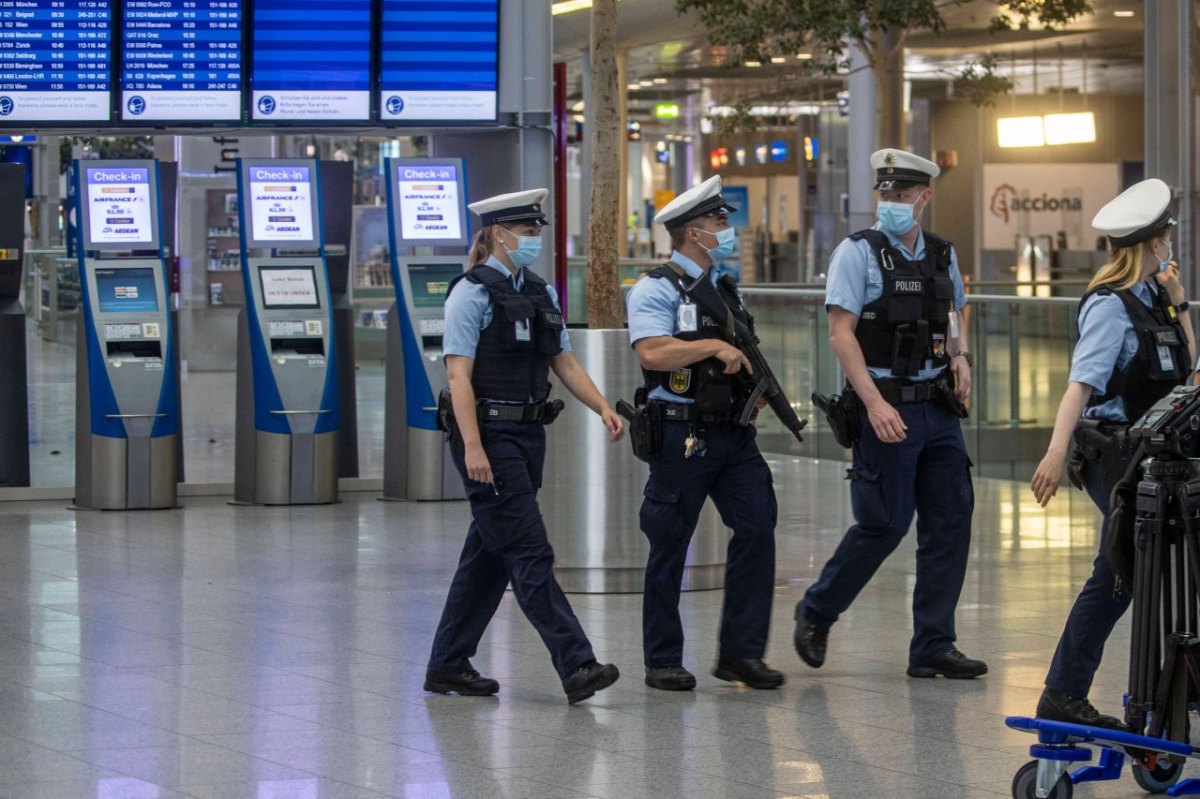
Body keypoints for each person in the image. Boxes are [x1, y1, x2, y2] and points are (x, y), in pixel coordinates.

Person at [424, 188, 624, 705]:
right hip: (488, 437)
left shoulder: (538, 291)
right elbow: (458, 375)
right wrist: (472, 447)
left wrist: (602, 406)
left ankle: (448, 664)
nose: (534, 239)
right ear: (497, 234)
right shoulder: (470, 293)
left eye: (538, 231)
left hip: (528, 435)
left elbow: (564, 362)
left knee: (491, 554)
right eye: (527, 231)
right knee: (530, 551)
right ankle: (577, 663)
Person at [793, 149, 987, 680]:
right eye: (886, 194)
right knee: (884, 524)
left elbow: (953, 311)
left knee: (950, 523)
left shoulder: (942, 254)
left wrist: (961, 355)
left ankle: (933, 644)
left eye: (902, 195)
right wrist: (874, 403)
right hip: (885, 409)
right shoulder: (857, 254)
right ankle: (817, 609)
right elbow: (840, 333)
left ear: (924, 198)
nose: (892, 204)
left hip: (937, 409)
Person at [1029, 178, 1194, 728]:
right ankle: (1064, 692)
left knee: (1134, 568)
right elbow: (1080, 386)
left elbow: (1188, 369)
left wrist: (1182, 305)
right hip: (1115, 458)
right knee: (1121, 569)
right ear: (1151, 243)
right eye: (1167, 234)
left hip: (1159, 452)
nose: (1171, 241)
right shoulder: (1110, 306)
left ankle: (1168, 688)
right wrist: (1054, 454)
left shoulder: (1155, 298)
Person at [625, 175, 784, 692]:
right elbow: (651, 351)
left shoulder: (724, 288)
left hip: (734, 436)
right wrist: (712, 349)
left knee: (758, 528)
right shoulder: (656, 287)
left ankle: (741, 653)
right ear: (694, 233)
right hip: (682, 435)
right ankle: (663, 658)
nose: (727, 229)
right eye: (719, 222)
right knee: (669, 543)